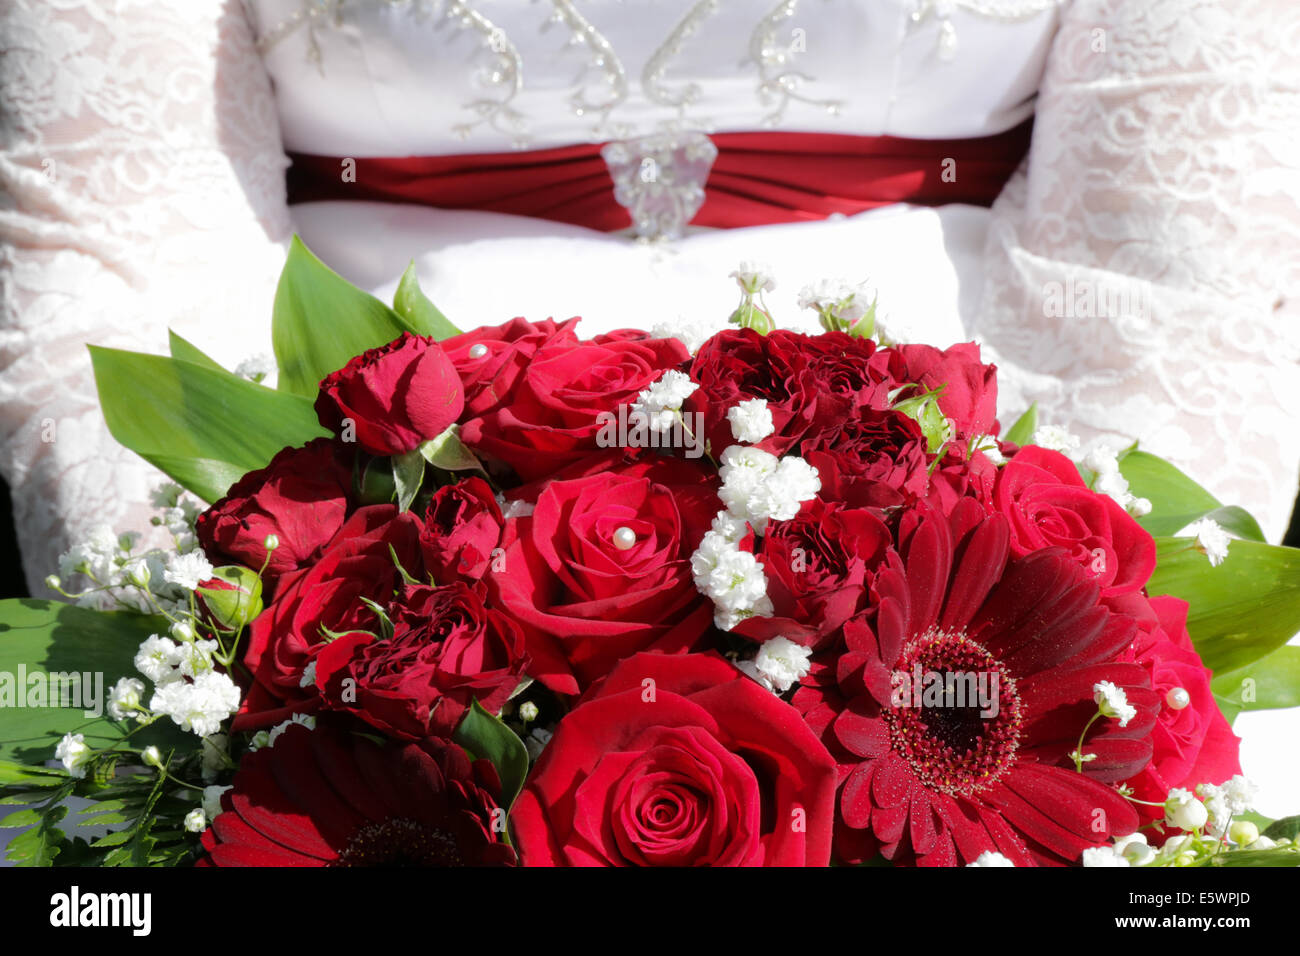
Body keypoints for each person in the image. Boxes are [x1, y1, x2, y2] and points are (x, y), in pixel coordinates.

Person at [1, 1, 1297, 808]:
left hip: (982, 452)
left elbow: (1183, 285)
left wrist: (1040, 645)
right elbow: (112, 251)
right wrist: (269, 650)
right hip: (360, 479)